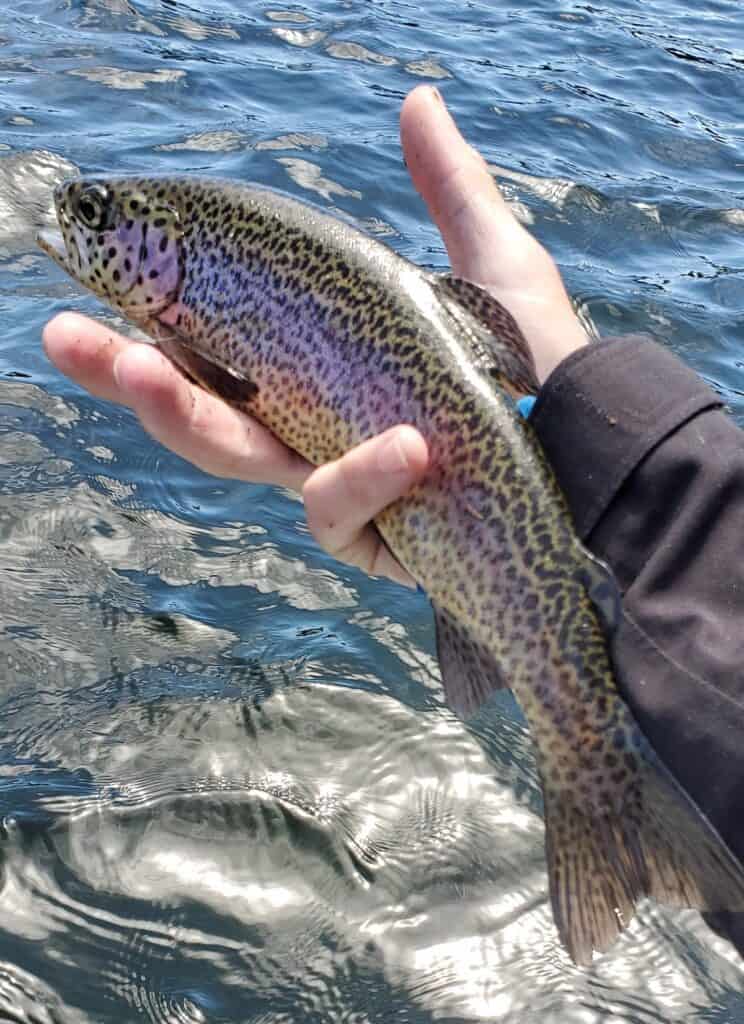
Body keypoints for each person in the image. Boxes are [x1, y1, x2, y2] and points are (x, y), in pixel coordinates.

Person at [42, 86, 744, 935]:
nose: (72, 225)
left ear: (162, 243)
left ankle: (605, 793)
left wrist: (569, 437)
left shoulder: (197, 270)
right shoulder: (193, 271)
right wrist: (611, 469)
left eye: (94, 214)